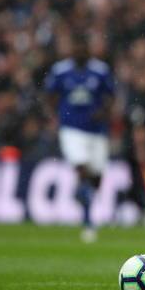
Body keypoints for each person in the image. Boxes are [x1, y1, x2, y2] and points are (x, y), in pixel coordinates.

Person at [45, 34, 115, 243]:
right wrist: (55, 115)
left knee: (97, 177)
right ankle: (87, 221)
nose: (80, 52)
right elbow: (49, 94)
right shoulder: (60, 70)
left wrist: (103, 112)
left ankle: (81, 193)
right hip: (71, 129)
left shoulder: (100, 70)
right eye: (76, 48)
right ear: (72, 50)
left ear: (88, 50)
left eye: (83, 48)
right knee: (82, 169)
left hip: (97, 131)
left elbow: (111, 96)